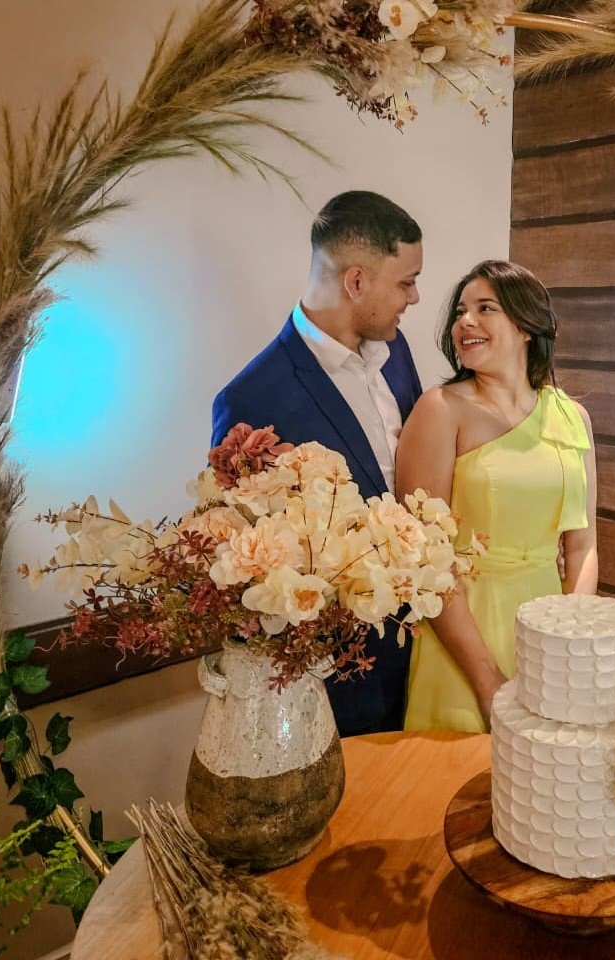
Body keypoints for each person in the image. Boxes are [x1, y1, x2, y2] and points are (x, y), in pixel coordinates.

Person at [211, 190, 423, 736]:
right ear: (356, 282)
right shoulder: (251, 399)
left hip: (423, 655)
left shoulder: (396, 352)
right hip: (337, 682)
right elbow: (250, 565)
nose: (415, 297)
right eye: (406, 282)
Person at [398, 260, 598, 733]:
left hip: (546, 634)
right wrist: (487, 682)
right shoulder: (440, 409)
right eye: (460, 312)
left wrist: (568, 644)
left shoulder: (573, 417)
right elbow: (425, 556)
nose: (465, 322)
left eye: (485, 308)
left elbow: (582, 546)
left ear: (527, 326)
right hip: (465, 632)